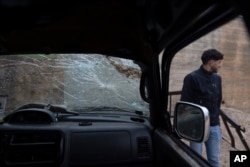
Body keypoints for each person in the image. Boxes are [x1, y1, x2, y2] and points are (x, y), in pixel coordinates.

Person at [180, 49, 223, 167]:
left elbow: (218, 101)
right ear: (211, 62)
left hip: (214, 125)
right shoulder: (191, 78)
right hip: (196, 126)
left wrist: (218, 124)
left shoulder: (217, 79)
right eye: (219, 62)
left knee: (214, 160)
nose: (220, 65)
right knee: (195, 159)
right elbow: (185, 103)